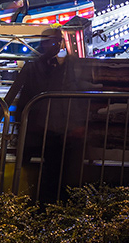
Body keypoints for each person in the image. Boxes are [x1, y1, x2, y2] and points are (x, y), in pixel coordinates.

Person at [11, 27, 97, 203]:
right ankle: (47, 206)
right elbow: (26, 98)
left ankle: (46, 205)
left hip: (55, 130)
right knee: (50, 176)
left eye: (57, 41)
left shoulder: (60, 66)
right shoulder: (42, 67)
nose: (55, 45)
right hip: (45, 130)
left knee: (54, 175)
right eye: (51, 41)